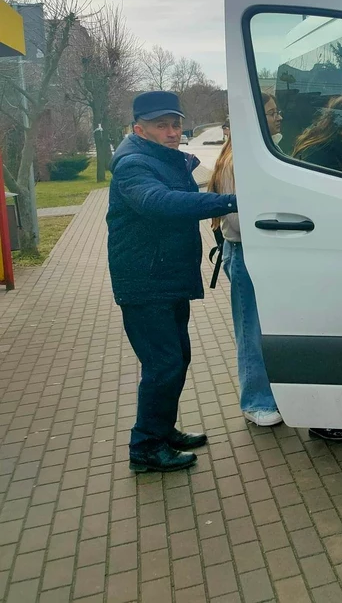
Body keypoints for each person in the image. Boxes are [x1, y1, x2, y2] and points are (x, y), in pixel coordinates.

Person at [107, 90, 237, 473]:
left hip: (166, 277)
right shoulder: (132, 165)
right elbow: (161, 204)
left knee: (177, 359)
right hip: (145, 283)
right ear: (139, 129)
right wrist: (231, 201)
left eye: (175, 124)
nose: (171, 132)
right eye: (161, 126)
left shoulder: (166, 159)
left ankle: (161, 431)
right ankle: (145, 447)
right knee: (163, 365)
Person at [290, 93, 342, 444]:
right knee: (329, 346)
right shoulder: (318, 158)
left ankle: (338, 412)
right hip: (323, 264)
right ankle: (323, 419)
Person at [209, 93, 283, 427]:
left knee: (263, 327)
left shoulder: (250, 152)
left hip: (254, 252)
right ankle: (255, 401)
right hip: (244, 252)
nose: (277, 117)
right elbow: (237, 218)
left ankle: (270, 394)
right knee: (250, 329)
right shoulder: (239, 160)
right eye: (270, 113)